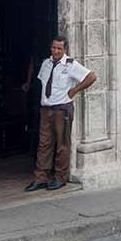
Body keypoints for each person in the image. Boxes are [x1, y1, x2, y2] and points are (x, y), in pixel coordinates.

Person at [24, 35, 97, 192]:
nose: (56, 51)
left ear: (65, 49)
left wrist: (75, 90)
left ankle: (60, 177)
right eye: (53, 47)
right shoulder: (46, 63)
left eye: (59, 48)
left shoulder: (71, 65)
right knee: (44, 144)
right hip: (46, 109)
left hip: (62, 109)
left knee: (62, 144)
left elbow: (91, 76)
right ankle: (41, 178)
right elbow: (43, 84)